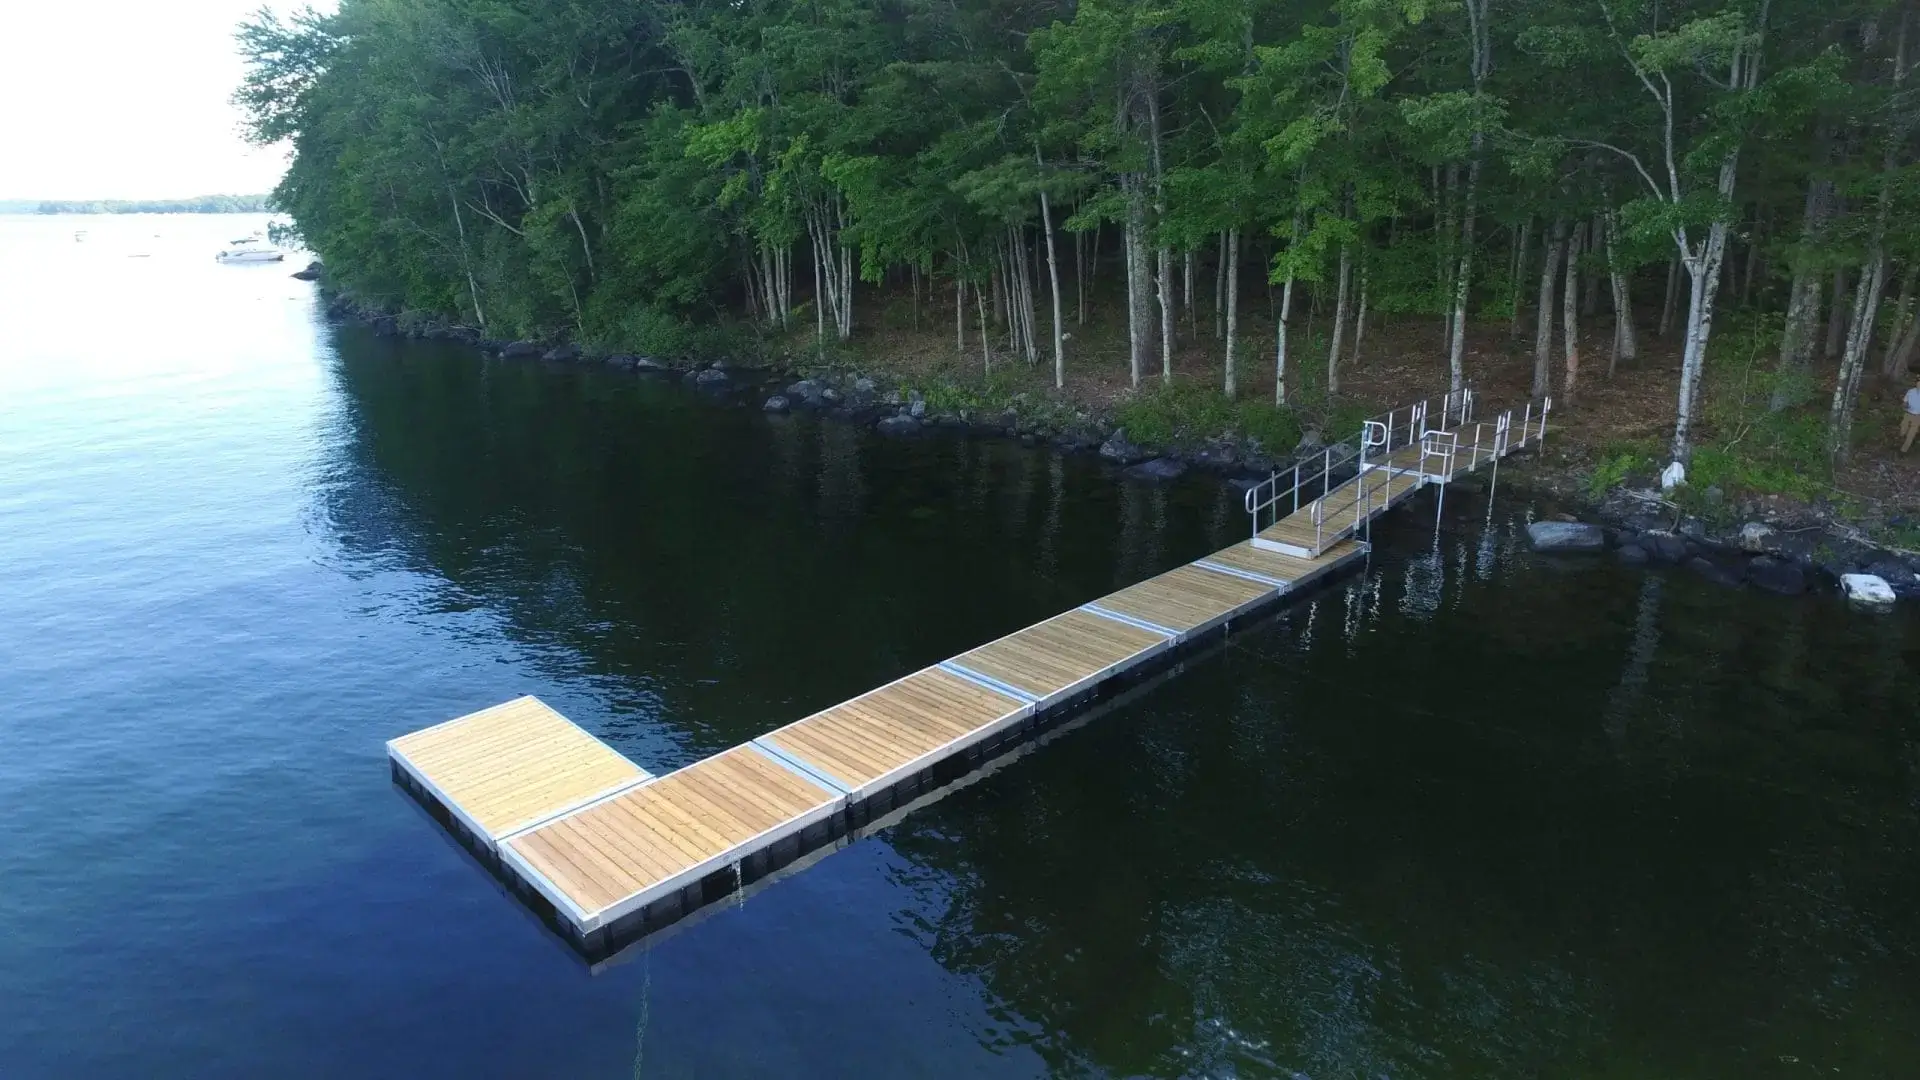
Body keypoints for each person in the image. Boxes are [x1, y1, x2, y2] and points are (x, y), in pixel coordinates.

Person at [1904, 375, 1920, 453]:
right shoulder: (1910, 391)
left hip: (1918, 416)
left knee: (1911, 434)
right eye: (1918, 382)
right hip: (1908, 414)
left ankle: (1903, 451)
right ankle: (1909, 439)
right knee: (1903, 431)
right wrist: (1905, 405)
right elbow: (1905, 402)